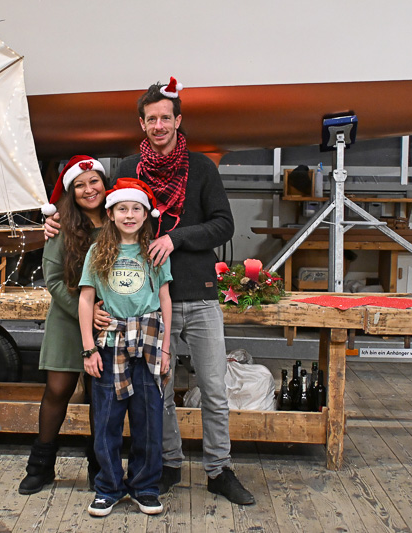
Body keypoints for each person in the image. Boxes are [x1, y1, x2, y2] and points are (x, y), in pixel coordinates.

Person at [47, 78, 254, 505]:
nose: (159, 125)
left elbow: (224, 224)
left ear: (177, 120)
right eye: (151, 119)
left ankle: (219, 469)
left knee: (214, 389)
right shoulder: (129, 167)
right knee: (159, 393)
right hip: (145, 308)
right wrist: (56, 221)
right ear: (142, 124)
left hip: (197, 294)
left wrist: (175, 239)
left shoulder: (201, 168)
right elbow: (96, 206)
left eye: (165, 118)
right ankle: (168, 464)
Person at [78, 178, 172, 517]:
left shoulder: (154, 252)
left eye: (136, 209)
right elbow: (86, 300)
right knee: (106, 420)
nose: (129, 215)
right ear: (111, 213)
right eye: (122, 209)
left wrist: (165, 348)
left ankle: (145, 487)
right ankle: (108, 487)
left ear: (146, 215)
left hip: (148, 343)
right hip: (110, 343)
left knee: (149, 420)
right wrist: (89, 349)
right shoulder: (97, 252)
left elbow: (165, 299)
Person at [18, 155, 107, 495]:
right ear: (71, 192)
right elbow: (53, 279)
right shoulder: (61, 227)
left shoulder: (118, 220)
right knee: (57, 390)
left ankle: (100, 467)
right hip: (68, 318)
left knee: (101, 397)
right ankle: (40, 466)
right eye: (80, 185)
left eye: (94, 181)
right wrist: (84, 312)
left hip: (107, 320)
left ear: (104, 183)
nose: (88, 189)